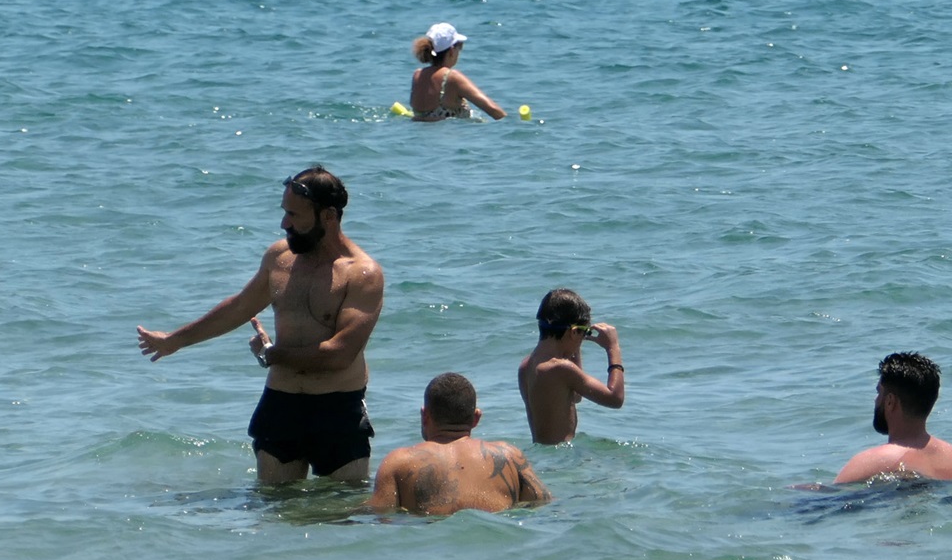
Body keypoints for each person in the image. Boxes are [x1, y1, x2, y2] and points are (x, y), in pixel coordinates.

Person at [137, 167, 385, 483]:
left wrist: (273, 355)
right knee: (275, 511)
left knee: (342, 513)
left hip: (336, 408)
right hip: (281, 404)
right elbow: (240, 307)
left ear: (328, 216)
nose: (284, 224)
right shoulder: (279, 258)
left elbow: (340, 354)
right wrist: (174, 340)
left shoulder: (362, 274)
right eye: (285, 213)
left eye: (294, 215)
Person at [368, 373, 549, 516]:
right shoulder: (509, 455)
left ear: (425, 416)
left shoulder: (397, 462)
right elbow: (542, 504)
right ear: (476, 418)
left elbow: (380, 516)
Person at [834, 352, 952, 483]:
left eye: (879, 393)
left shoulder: (872, 462)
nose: (875, 400)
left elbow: (829, 498)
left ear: (890, 401)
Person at [518, 288, 625, 444]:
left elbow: (575, 396)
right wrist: (613, 348)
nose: (584, 338)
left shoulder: (526, 366)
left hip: (545, 456)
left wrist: (575, 348)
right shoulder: (560, 368)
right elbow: (615, 399)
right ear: (574, 332)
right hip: (561, 458)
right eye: (585, 332)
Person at [409, 22, 504, 121]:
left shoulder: (417, 75)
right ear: (451, 51)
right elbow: (494, 110)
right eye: (460, 47)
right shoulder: (452, 77)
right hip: (450, 134)